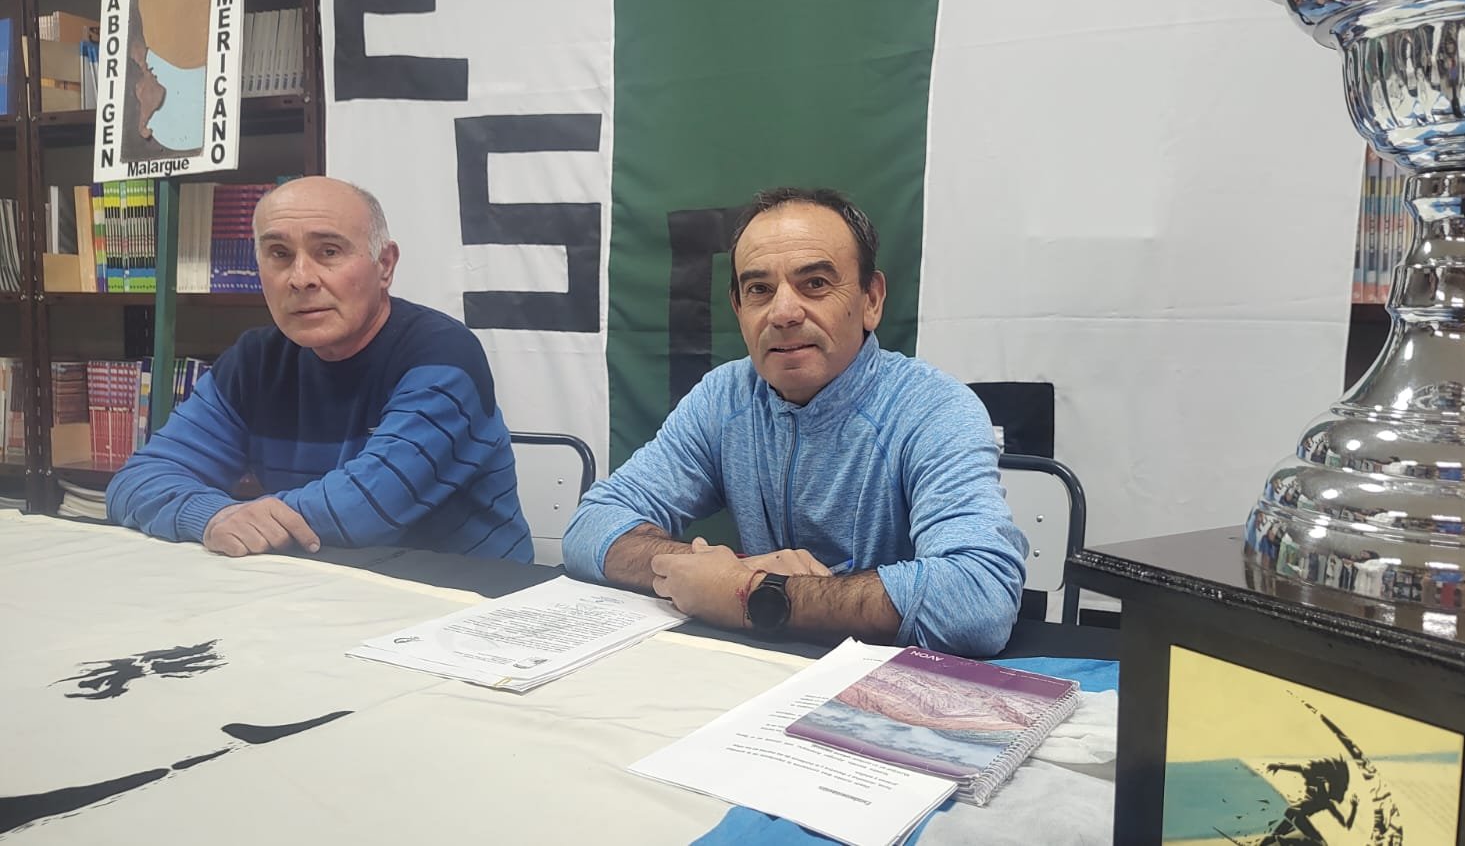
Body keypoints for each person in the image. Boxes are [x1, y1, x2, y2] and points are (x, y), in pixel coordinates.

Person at [562, 186, 1026, 656]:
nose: (783, 312)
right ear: (739, 310)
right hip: (755, 672)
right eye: (759, 290)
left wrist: (753, 594)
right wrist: (703, 570)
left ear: (871, 299)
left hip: (890, 682)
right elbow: (591, 527)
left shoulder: (933, 408)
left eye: (816, 283)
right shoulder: (724, 397)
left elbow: (978, 599)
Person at [106, 176, 532, 561]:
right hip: (319, 588)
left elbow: (364, 509)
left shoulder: (441, 354)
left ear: (384, 265)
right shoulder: (254, 360)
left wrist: (250, 521)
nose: (300, 278)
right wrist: (213, 517)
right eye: (279, 254)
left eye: (328, 252)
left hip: (466, 600)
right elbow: (135, 482)